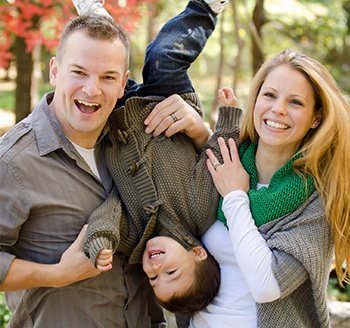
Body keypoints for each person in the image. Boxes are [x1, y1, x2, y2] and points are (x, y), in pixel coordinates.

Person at [0, 1, 226, 327]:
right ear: (54, 70)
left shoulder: (125, 133)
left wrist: (201, 132)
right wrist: (57, 274)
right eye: (78, 72)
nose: (92, 90)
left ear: (122, 84)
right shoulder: (14, 162)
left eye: (108, 77)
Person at [80, 0, 233, 317]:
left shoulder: (135, 234)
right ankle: (205, 8)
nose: (156, 267)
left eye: (153, 278)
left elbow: (108, 214)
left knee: (109, 66)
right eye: (171, 272)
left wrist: (99, 242)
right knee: (161, 57)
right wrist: (228, 122)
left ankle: (94, 15)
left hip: (122, 118)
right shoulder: (201, 211)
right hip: (168, 104)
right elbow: (219, 158)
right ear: (198, 252)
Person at [190, 49, 350, 327]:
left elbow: (266, 285)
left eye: (296, 102)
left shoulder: (318, 200)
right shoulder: (226, 161)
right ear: (255, 101)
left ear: (316, 118)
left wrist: (236, 197)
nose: (278, 109)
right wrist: (196, 132)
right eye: (270, 95)